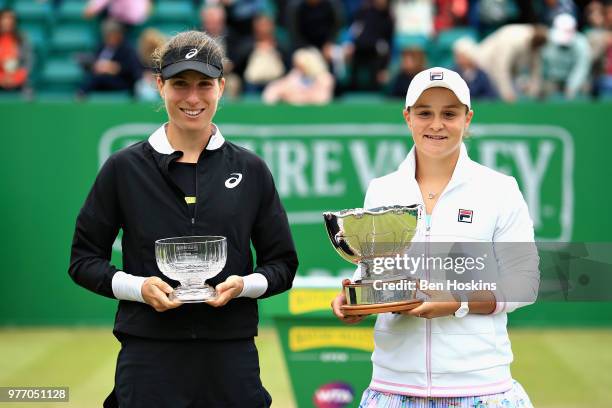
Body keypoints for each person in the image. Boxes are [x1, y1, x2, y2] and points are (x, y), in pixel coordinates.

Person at [69, 30, 298, 407]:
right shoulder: (124, 168)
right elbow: (82, 260)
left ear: (221, 88)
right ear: (160, 85)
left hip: (230, 356)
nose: (192, 98)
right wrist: (138, 287)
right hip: (149, 357)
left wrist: (243, 285)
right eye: (180, 84)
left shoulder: (251, 169)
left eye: (204, 84)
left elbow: (283, 264)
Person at [331, 67, 539, 407]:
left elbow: (525, 284)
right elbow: (373, 272)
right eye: (424, 113)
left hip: (480, 389)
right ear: (407, 117)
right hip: (393, 386)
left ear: (467, 118)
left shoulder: (500, 189)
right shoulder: (382, 190)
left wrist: (457, 301)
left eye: (449, 114)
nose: (436, 124)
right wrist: (356, 302)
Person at [77, 19, 143, 97]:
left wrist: (113, 68)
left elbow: (132, 69)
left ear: (118, 35)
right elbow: (95, 60)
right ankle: (81, 93)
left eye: (110, 35)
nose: (107, 38)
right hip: (101, 78)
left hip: (120, 81)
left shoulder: (127, 49)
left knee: (98, 78)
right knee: (91, 77)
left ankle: (82, 94)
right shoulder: (102, 46)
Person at [0, 8, 32, 92]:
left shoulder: (22, 38)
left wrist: (17, 78)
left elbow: (28, 61)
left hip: (18, 80)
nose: (7, 22)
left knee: (28, 91)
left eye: (10, 19)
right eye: (4, 18)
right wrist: (1, 78)